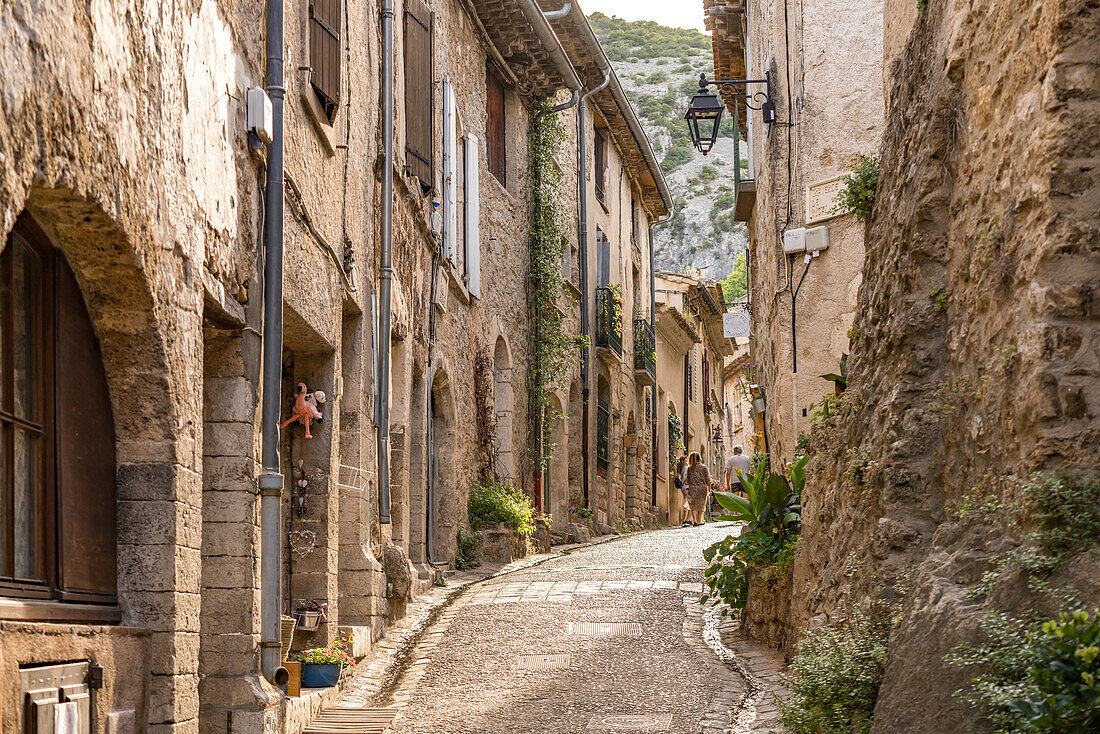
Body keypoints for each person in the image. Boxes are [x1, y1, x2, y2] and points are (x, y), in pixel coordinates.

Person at [683, 452, 712, 527]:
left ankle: (695, 520)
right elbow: (708, 480)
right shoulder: (704, 467)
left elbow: (687, 481)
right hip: (702, 489)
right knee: (701, 505)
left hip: (693, 488)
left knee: (692, 505)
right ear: (699, 458)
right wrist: (710, 489)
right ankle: (699, 521)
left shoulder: (690, 468)